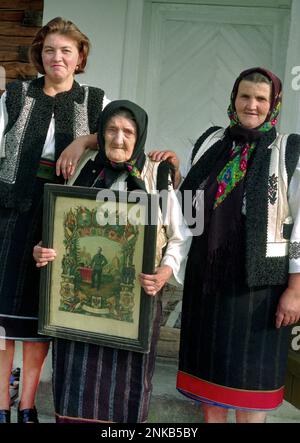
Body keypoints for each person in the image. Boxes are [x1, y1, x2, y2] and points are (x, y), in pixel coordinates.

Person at [150, 67, 300, 423]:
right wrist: (171, 173)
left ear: (273, 104)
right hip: (209, 281)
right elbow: (189, 206)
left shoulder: (290, 150)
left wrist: (296, 288)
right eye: (244, 96)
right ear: (233, 99)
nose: (251, 105)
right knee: (210, 388)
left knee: (249, 393)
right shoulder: (211, 140)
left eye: (261, 99)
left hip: (260, 288)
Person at [33, 100, 191, 423]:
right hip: (75, 311)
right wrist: (43, 249)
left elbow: (181, 234)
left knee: (125, 390)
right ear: (101, 134)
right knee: (75, 387)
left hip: (136, 306)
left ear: (140, 136)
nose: (119, 138)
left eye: (128, 132)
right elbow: (58, 223)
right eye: (112, 130)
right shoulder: (81, 166)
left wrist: (164, 271)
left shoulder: (157, 174)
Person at [0, 17, 109, 423]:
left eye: (66, 50)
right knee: (3, 313)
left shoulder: (95, 100)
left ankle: (27, 404)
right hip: (11, 211)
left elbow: (121, 132)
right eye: (49, 50)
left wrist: (83, 139)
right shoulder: (16, 94)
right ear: (39, 55)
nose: (56, 57)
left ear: (80, 57)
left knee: (40, 311)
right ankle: (1, 404)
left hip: (64, 217)